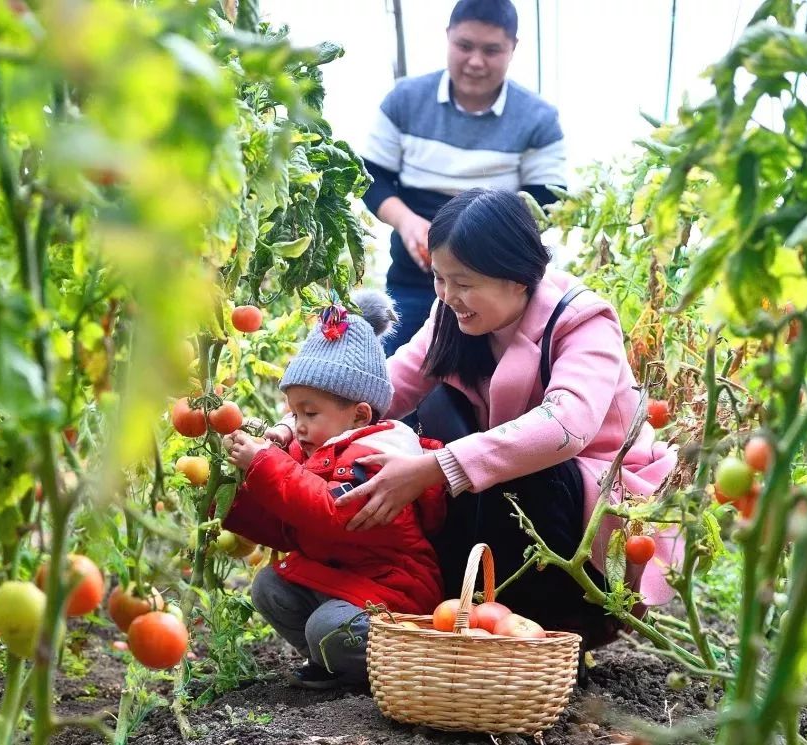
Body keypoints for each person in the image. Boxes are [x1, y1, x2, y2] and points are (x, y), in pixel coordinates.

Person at [269, 189, 678, 650]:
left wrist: (433, 469)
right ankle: (442, 611)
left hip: (588, 502)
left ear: (518, 278)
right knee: (432, 417)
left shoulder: (582, 320)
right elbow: (386, 388)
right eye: (441, 280)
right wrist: (294, 424)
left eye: (462, 282)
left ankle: (545, 633)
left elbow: (566, 427)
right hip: (501, 498)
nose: (448, 296)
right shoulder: (451, 314)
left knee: (522, 472)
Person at [221, 291, 446, 690]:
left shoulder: (375, 458)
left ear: (359, 415)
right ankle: (337, 666)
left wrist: (263, 463)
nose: (298, 425)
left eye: (309, 414)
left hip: (392, 596)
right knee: (271, 587)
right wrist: (233, 487)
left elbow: (329, 510)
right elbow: (290, 515)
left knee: (328, 628)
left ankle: (373, 674)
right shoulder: (323, 447)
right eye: (293, 412)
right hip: (346, 584)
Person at [359, 0, 567, 354]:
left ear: (512, 48)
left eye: (491, 50)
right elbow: (370, 176)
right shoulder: (405, 101)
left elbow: (548, 198)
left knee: (488, 394)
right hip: (412, 281)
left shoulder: (537, 119)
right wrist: (408, 223)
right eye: (464, 46)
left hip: (493, 293)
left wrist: (477, 247)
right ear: (447, 38)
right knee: (396, 380)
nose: (475, 61)